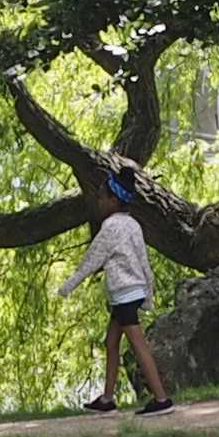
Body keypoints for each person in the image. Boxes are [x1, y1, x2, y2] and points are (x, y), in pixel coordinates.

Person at [69, 167, 178, 416]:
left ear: (113, 200)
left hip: (124, 293)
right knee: (111, 342)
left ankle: (161, 399)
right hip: (130, 292)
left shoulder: (110, 227)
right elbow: (143, 259)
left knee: (138, 345)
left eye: (101, 197)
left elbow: (92, 260)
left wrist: (68, 285)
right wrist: (148, 290)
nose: (98, 201)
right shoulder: (133, 225)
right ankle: (107, 399)